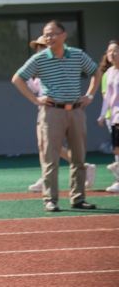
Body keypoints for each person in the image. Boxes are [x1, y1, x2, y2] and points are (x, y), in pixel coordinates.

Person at [12, 20, 100, 212]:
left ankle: (78, 198)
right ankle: (50, 200)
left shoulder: (77, 55)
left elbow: (96, 71)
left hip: (76, 111)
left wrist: (90, 95)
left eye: (53, 33)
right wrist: (36, 100)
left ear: (63, 35)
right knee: (50, 158)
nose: (49, 37)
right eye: (46, 34)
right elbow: (17, 78)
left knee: (78, 157)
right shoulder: (40, 58)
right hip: (52, 112)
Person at [25, 36, 95, 193]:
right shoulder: (38, 68)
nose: (39, 50)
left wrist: (89, 95)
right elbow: (34, 87)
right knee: (43, 147)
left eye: (42, 46)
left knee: (52, 147)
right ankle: (45, 178)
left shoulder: (60, 62)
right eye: (37, 47)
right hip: (45, 111)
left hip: (61, 112)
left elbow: (93, 72)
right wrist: (36, 96)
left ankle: (84, 168)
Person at [98, 40, 119, 193]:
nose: (112, 54)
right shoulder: (107, 74)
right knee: (117, 148)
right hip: (112, 117)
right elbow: (106, 96)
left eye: (116, 50)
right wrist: (102, 115)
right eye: (109, 51)